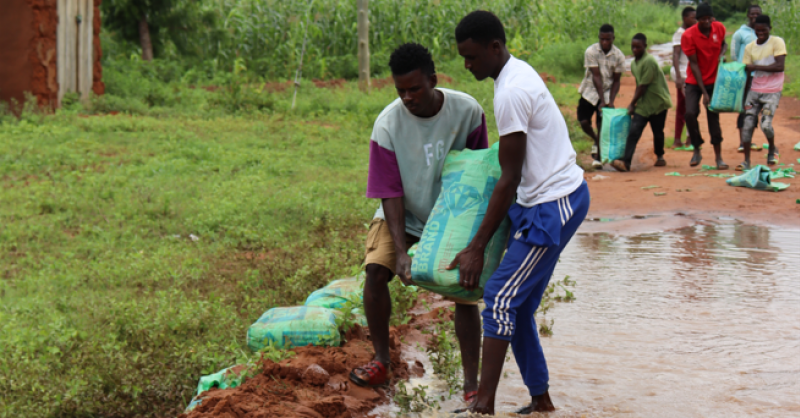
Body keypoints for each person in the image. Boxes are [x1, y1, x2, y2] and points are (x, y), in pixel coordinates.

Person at [453, 10, 590, 415]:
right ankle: (541, 401)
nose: (467, 65)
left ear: (495, 47)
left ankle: (482, 406)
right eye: (463, 57)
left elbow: (509, 177)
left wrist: (476, 247)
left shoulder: (511, 91)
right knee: (520, 304)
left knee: (497, 299)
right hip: (557, 197)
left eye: (472, 57)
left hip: (553, 204)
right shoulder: (513, 75)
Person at [351, 43, 488, 404]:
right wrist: (401, 252)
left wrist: (474, 240)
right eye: (400, 91)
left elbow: (479, 173)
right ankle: (382, 360)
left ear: (433, 80)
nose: (408, 98)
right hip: (404, 213)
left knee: (464, 288)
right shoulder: (387, 125)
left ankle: (472, 384)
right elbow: (390, 192)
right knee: (376, 273)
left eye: (415, 89)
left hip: (451, 215)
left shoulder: (468, 111)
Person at [611, 34, 673, 172]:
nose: (635, 49)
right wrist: (637, 103)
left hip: (658, 102)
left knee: (657, 132)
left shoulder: (649, 61)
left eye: (638, 47)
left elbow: (643, 86)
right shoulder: (633, 64)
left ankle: (660, 155)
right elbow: (640, 85)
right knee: (634, 131)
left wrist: (632, 103)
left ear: (645, 46)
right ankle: (626, 162)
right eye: (633, 47)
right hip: (644, 103)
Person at [681, 2, 729, 169]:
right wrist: (704, 92)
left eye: (709, 18)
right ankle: (696, 148)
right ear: (697, 20)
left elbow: (724, 44)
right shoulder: (688, 35)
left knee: (713, 118)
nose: (707, 22)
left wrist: (721, 55)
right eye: (702, 19)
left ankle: (718, 157)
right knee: (690, 114)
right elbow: (693, 65)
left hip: (714, 80)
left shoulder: (719, 28)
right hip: (695, 81)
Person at [737, 15, 787, 170]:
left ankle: (772, 148)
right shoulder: (750, 48)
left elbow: (780, 66)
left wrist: (756, 68)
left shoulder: (777, 42)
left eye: (764, 30)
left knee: (765, 124)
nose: (761, 33)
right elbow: (747, 73)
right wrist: (744, 97)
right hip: (754, 90)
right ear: (754, 30)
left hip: (772, 91)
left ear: (769, 29)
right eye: (758, 30)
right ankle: (746, 161)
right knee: (747, 124)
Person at [577, 24, 626, 169]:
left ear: (613, 39)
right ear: (599, 38)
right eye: (602, 39)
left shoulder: (619, 56)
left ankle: (597, 157)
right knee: (584, 122)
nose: (605, 42)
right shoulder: (591, 51)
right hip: (589, 90)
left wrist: (610, 102)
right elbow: (595, 77)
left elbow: (616, 81)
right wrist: (602, 101)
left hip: (607, 90)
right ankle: (596, 139)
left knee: (601, 124)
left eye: (608, 39)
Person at [732, 4, 763, 152]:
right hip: (745, 76)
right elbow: (734, 54)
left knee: (755, 107)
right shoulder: (740, 33)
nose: (755, 16)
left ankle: (749, 140)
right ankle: (742, 142)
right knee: (744, 107)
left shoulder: (763, 32)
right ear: (748, 15)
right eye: (752, 14)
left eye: (758, 13)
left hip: (760, 76)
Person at [671, 6, 696, 148]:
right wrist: (679, 78)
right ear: (685, 18)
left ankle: (688, 138)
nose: (695, 20)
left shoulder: (694, 32)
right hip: (683, 73)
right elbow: (675, 55)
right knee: (684, 106)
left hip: (691, 73)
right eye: (693, 17)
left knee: (690, 106)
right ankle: (678, 139)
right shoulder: (679, 34)